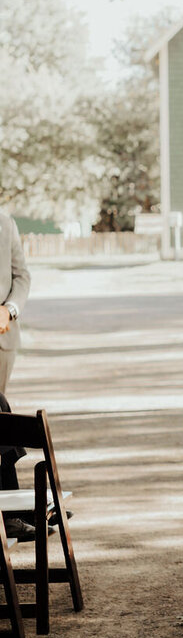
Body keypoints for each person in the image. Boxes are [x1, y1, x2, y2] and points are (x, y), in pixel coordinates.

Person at [0, 213, 31, 541]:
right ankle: (13, 513)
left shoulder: (4, 222)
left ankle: (12, 510)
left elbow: (21, 276)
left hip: (1, 336)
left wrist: (9, 308)